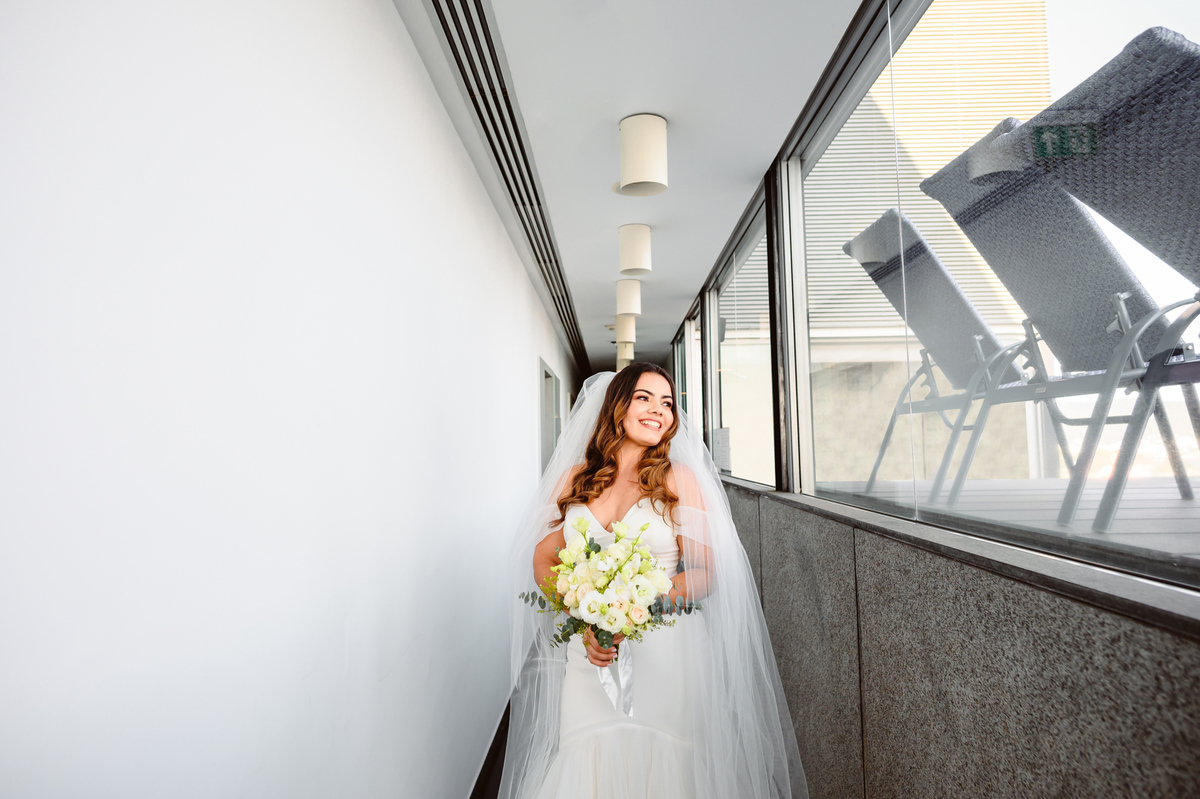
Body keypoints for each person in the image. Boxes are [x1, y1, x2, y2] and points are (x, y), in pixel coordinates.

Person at [500, 364, 807, 799]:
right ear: (617, 406)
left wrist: (636, 606)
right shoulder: (576, 478)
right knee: (586, 754)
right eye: (644, 397)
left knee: (668, 766)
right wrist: (587, 615)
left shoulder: (679, 480)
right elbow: (544, 556)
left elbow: (704, 571)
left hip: (667, 648)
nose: (658, 410)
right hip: (591, 651)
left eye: (667, 403)